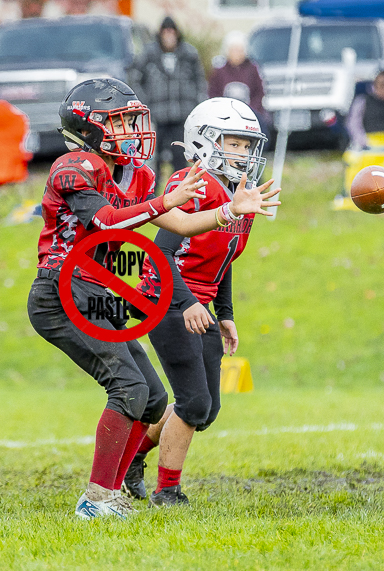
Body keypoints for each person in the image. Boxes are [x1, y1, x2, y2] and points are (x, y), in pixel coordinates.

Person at [27, 78, 279, 520]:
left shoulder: (137, 173)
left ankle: (115, 490)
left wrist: (229, 212)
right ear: (89, 129)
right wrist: (164, 202)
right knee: (129, 387)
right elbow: (105, 222)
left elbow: (179, 224)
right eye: (120, 122)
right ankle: (96, 498)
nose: (131, 130)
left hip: (96, 289)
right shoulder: (74, 166)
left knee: (155, 400)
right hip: (60, 288)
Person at [121, 97, 266, 506]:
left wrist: (226, 313)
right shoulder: (191, 184)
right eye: (233, 143)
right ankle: (168, 492)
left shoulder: (240, 194)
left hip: (199, 305)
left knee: (206, 409)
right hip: (166, 299)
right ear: (204, 141)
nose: (242, 153)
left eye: (245, 145)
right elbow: (161, 252)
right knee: (193, 402)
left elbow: (224, 256)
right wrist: (188, 303)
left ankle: (133, 459)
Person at [131, 16, 207, 189]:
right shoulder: (148, 54)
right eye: (165, 32)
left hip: (182, 116)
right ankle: (152, 192)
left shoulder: (189, 54)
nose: (169, 36)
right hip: (157, 116)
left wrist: (196, 106)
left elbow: (200, 82)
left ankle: (181, 190)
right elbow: (135, 80)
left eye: (172, 32)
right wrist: (145, 104)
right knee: (153, 157)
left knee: (181, 157)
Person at [208, 31, 270, 135]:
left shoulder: (252, 69)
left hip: (249, 115)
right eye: (233, 50)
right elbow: (213, 93)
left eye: (239, 50)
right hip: (225, 117)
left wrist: (251, 111)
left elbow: (259, 92)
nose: (237, 54)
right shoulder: (219, 71)